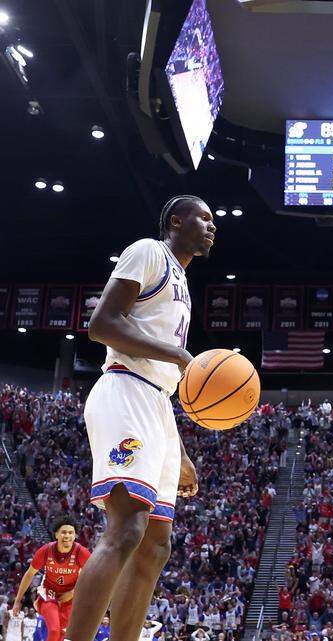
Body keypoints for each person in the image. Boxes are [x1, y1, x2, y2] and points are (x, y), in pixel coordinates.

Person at [66, 195, 214, 641]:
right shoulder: (150, 251)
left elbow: (161, 374)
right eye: (204, 218)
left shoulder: (182, 282)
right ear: (176, 221)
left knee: (155, 546)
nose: (212, 226)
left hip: (156, 402)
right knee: (127, 528)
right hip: (125, 389)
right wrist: (181, 356)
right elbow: (102, 325)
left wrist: (178, 449)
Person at [9, 518, 91, 641]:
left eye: (71, 533)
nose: (67, 535)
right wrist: (17, 601)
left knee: (62, 634)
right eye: (63, 532)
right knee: (54, 631)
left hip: (70, 597)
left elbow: (92, 578)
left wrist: (73, 593)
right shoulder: (46, 550)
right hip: (49, 593)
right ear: (56, 535)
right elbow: (29, 574)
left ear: (75, 536)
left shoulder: (81, 552)